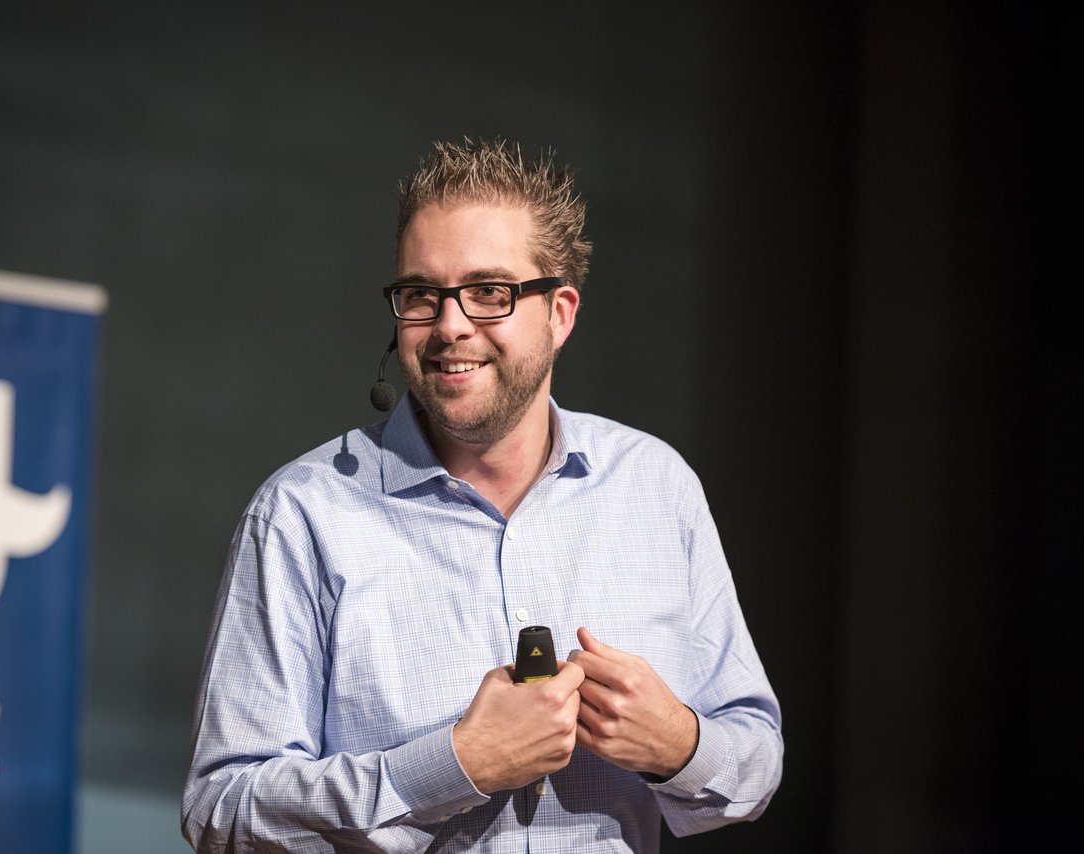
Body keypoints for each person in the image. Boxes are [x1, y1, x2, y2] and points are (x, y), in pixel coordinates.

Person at [181, 138, 782, 852]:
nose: (449, 326)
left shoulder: (656, 489)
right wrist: (451, 767)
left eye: (490, 293)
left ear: (559, 314)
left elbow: (756, 759)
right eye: (420, 295)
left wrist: (678, 743)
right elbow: (222, 812)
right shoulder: (304, 514)